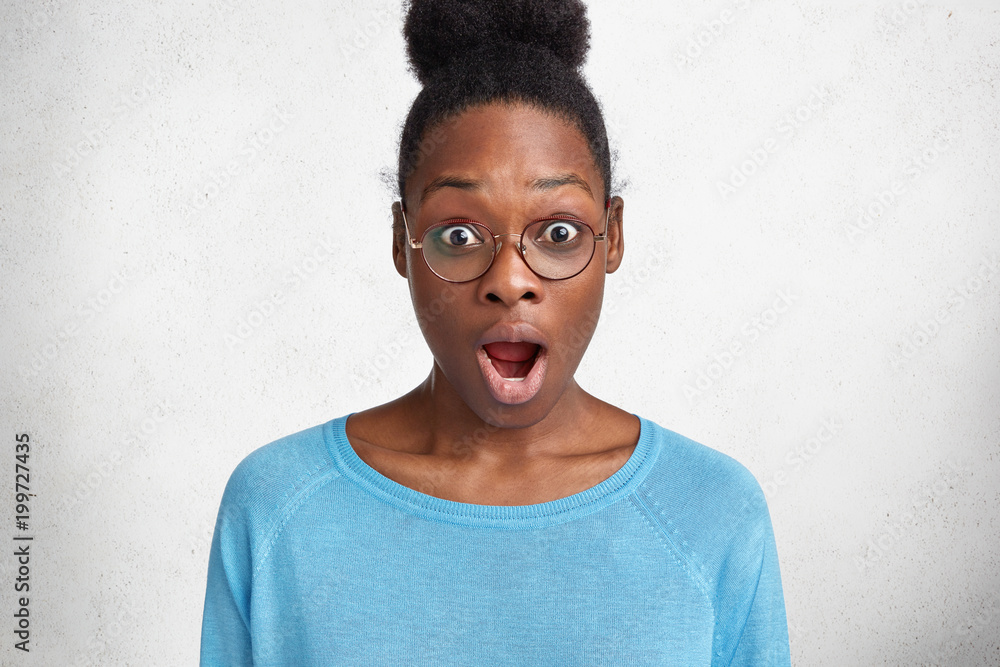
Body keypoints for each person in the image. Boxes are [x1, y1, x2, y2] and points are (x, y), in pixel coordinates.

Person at [199, 0, 792, 664]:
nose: (510, 280)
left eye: (558, 233)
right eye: (459, 235)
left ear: (613, 236)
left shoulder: (710, 511)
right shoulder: (279, 506)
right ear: (403, 242)